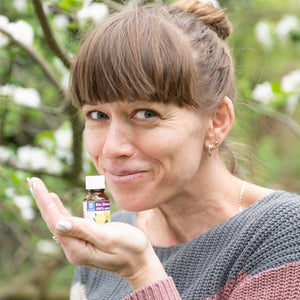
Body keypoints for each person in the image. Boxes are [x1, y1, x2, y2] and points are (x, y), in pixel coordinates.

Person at [27, 0, 300, 299]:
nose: (112, 148)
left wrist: (141, 273)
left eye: (146, 114)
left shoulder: (283, 235)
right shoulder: (108, 240)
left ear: (217, 122)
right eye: (97, 115)